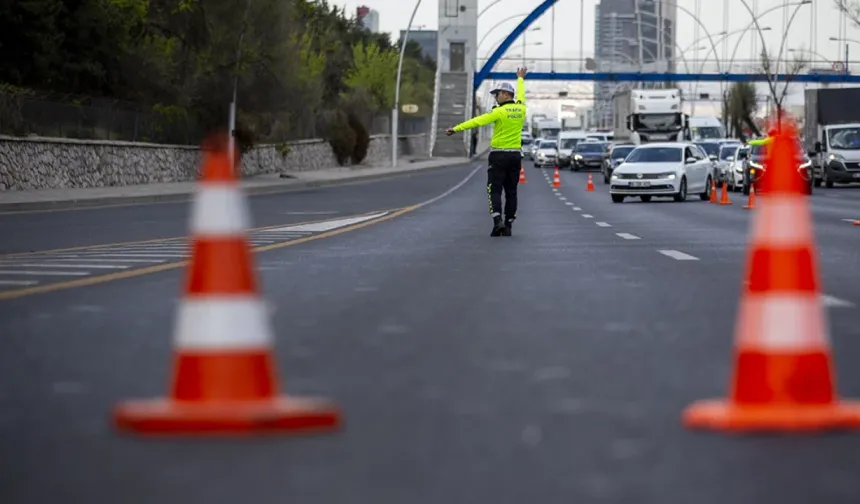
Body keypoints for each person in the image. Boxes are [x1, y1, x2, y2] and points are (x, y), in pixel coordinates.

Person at [446, 67, 527, 237]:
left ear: (505, 94)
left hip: (498, 156)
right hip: (515, 156)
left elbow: (477, 121)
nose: (495, 97)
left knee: (494, 189)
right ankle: (509, 224)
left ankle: (497, 221)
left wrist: (456, 128)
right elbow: (522, 95)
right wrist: (520, 78)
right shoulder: (521, 109)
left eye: (497, 94)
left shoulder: (498, 112)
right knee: (511, 191)